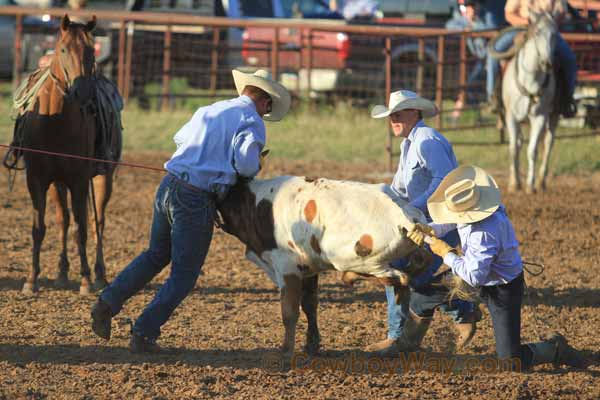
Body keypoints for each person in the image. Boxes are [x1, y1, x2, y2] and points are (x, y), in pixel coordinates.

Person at [90, 69, 291, 353]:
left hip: (169, 185)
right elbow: (246, 164)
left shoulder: (210, 108)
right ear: (265, 101)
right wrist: (256, 164)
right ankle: (144, 333)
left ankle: (107, 303)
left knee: (155, 254)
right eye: (268, 107)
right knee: (184, 275)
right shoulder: (252, 120)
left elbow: (180, 139)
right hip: (196, 198)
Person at [409, 165, 587, 370]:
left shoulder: (484, 232)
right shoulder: (479, 208)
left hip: (501, 289)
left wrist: (445, 252)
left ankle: (555, 349)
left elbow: (473, 277)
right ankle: (407, 345)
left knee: (510, 362)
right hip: (479, 273)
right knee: (422, 297)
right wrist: (431, 229)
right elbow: (452, 221)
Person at [365, 90, 481, 356]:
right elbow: (399, 188)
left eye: (399, 113)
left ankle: (399, 337)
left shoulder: (426, 141)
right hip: (425, 224)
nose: (393, 118)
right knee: (415, 276)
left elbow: (443, 181)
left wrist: (411, 208)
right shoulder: (411, 143)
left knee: (395, 268)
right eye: (391, 114)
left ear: (415, 113)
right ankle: (463, 312)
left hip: (441, 224)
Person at [486, 0, 578, 117]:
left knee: (569, 59)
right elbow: (509, 13)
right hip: (521, 29)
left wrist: (550, 21)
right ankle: (492, 96)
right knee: (494, 52)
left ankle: (566, 100)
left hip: (546, 31)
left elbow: (562, 12)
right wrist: (527, 21)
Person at [446, 0, 491, 121]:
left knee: (469, 86)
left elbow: (487, 29)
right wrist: (466, 27)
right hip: (475, 60)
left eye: (473, 6)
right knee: (469, 87)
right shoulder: (463, 20)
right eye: (468, 7)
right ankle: (475, 117)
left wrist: (473, 25)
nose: (471, 9)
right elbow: (449, 25)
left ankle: (457, 115)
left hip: (485, 60)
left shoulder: (483, 18)